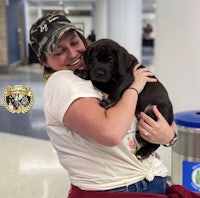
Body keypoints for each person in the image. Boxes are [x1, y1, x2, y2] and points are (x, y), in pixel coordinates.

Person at [29, 12, 178, 197]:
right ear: (44, 61)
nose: (73, 53)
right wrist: (135, 87)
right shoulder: (61, 82)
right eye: (59, 51)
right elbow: (111, 133)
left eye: (75, 42)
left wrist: (169, 137)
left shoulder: (95, 74)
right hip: (118, 188)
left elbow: (169, 127)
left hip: (151, 179)